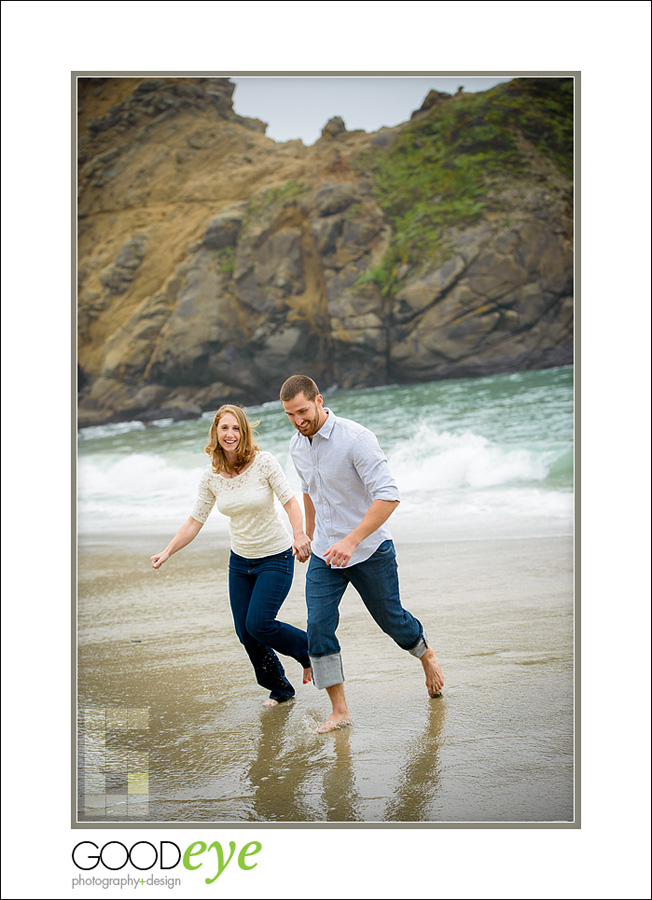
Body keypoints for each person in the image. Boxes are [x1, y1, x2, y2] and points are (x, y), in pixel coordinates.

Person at [279, 374, 445, 733]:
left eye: (303, 411)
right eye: (290, 415)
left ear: (320, 401)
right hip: (326, 553)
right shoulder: (296, 446)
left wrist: (352, 540)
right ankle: (339, 711)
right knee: (318, 626)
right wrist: (307, 536)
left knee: (392, 620)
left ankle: (425, 653)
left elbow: (389, 496)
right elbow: (308, 492)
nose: (298, 421)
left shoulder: (356, 439)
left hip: (370, 549)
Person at [150, 404, 313, 706]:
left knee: (260, 624)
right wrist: (168, 551)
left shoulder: (264, 462)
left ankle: (309, 649)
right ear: (216, 432)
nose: (230, 434)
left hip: (275, 556)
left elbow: (290, 501)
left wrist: (299, 534)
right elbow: (194, 520)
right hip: (240, 562)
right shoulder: (211, 477)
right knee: (246, 633)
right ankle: (280, 688)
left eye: (236, 428)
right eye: (224, 428)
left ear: (244, 431)